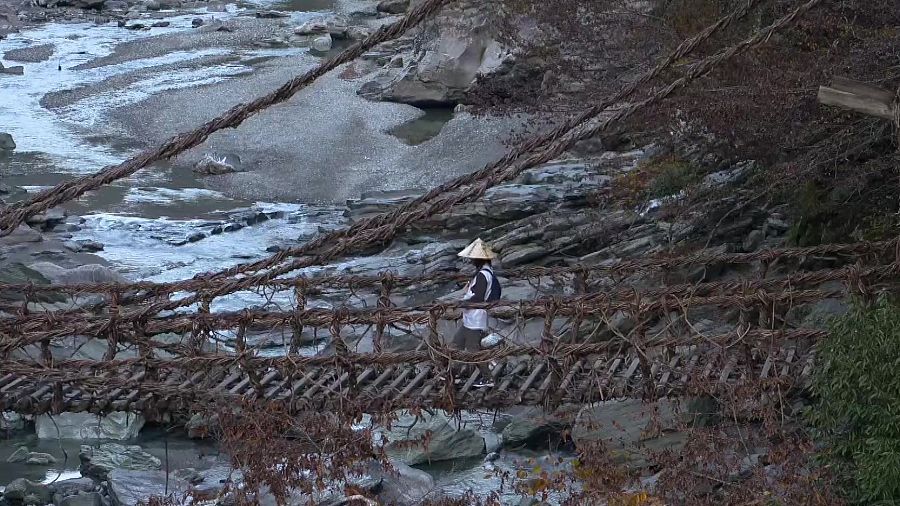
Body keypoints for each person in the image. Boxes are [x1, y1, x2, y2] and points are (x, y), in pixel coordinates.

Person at [452, 238, 501, 386]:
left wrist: (462, 303)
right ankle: (452, 375)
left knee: (474, 352)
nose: (471, 260)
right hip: (470, 319)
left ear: (479, 259)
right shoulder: (485, 272)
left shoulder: (482, 275)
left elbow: (478, 297)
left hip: (476, 320)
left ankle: (488, 378)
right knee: (456, 345)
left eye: (473, 258)